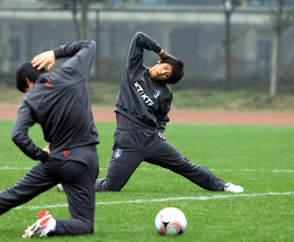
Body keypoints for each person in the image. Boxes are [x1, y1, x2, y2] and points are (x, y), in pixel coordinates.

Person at [0, 40, 100, 238]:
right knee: (84, 223)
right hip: (85, 158)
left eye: (26, 90)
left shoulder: (32, 98)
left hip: (55, 160)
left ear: (29, 82)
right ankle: (52, 225)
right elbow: (89, 45)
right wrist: (55, 53)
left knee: (13, 195)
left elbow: (18, 135)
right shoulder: (72, 72)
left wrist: (41, 155)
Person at [94, 31, 244, 193]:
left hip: (151, 140)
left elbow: (162, 118)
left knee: (184, 165)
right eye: (165, 68)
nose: (162, 72)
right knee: (111, 187)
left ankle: (223, 185)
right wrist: (163, 52)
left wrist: (158, 133)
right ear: (160, 62)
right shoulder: (134, 69)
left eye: (167, 75)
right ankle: (73, 183)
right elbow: (139, 38)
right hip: (127, 139)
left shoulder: (165, 94)